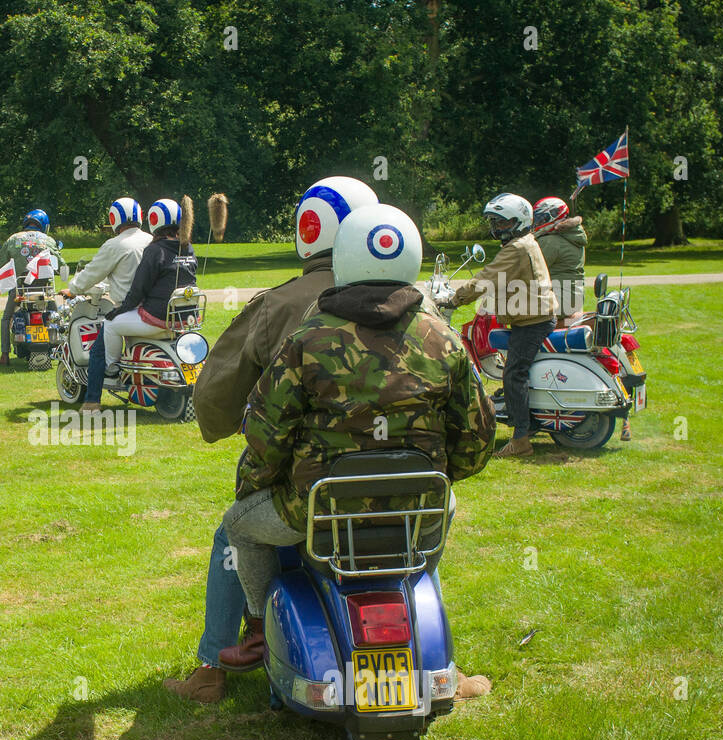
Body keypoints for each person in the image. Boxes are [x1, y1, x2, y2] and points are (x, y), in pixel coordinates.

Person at [221, 204, 495, 672]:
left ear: (342, 258)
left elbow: (266, 437)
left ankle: (255, 633)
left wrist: (254, 484)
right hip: (415, 510)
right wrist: (438, 474)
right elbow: (477, 439)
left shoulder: (307, 339)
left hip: (318, 513)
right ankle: (428, 632)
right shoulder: (444, 339)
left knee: (238, 526)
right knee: (445, 507)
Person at [164, 176, 377, 702]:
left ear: (309, 229)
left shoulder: (280, 304)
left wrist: (219, 424)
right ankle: (445, 665)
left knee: (229, 538)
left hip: (305, 491)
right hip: (403, 488)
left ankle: (214, 667)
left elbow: (215, 394)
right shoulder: (418, 308)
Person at [442, 193, 557, 459]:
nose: (497, 228)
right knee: (515, 371)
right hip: (531, 316)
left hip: (532, 321)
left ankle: (521, 441)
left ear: (520, 221)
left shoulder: (517, 248)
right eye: (495, 222)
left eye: (503, 223)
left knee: (514, 374)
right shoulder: (524, 242)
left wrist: (454, 299)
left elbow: (487, 278)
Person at [81, 198, 196, 412]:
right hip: (184, 317)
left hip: (157, 317)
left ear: (154, 219)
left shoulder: (155, 250)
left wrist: (120, 310)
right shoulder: (186, 248)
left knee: (111, 324)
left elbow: (139, 287)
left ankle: (112, 367)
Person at [62, 197, 153, 405]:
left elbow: (92, 273)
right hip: (153, 308)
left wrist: (73, 289)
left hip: (127, 311)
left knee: (97, 352)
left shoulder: (114, 245)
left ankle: (92, 402)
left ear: (114, 218)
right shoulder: (151, 240)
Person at [0, 209, 59, 365]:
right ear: (44, 225)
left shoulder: (13, 239)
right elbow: (59, 264)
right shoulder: (48, 240)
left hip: (20, 290)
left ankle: (4, 356)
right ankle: (60, 349)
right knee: (56, 316)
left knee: (6, 318)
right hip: (44, 290)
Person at [532, 196, 587, 321]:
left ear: (553, 216)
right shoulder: (572, 236)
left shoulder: (550, 241)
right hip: (572, 299)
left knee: (513, 309)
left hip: (559, 300)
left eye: (541, 219)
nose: (537, 223)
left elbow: (530, 268)